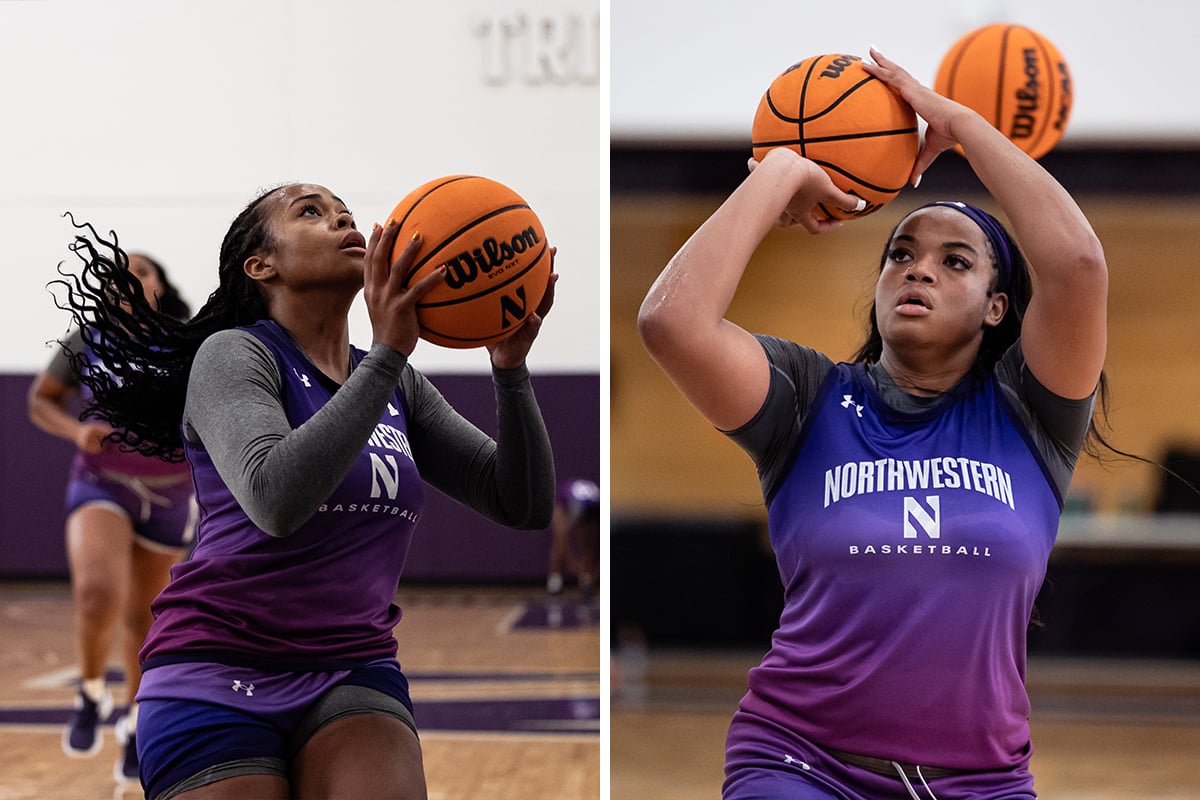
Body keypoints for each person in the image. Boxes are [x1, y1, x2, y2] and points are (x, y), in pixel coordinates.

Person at [637, 48, 1109, 800]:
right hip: (800, 762)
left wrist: (957, 122)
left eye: (956, 262)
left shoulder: (1032, 412)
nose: (918, 269)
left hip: (982, 782)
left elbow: (1079, 265)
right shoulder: (806, 397)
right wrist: (782, 172)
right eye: (900, 253)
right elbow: (671, 323)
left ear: (997, 307)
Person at [51, 183, 557, 800]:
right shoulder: (235, 355)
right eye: (311, 213)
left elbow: (522, 503)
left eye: (344, 211)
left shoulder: (397, 382)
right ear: (262, 266)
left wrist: (510, 369)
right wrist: (390, 354)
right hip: (215, 665)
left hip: (353, 665)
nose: (340, 219)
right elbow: (276, 500)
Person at [28, 251, 195, 783]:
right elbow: (41, 401)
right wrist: (75, 431)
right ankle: (91, 689)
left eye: (141, 270)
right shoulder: (86, 340)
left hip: (171, 493)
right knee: (99, 593)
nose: (127, 278)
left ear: (159, 288)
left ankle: (134, 720)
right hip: (102, 482)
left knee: (145, 621)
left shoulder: (188, 343)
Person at [546, 477, 600, 597]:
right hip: (566, 501)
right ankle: (555, 580)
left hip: (585, 504)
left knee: (588, 542)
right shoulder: (573, 508)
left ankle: (586, 579)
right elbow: (565, 543)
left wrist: (593, 574)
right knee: (560, 540)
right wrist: (574, 565)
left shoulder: (598, 508)